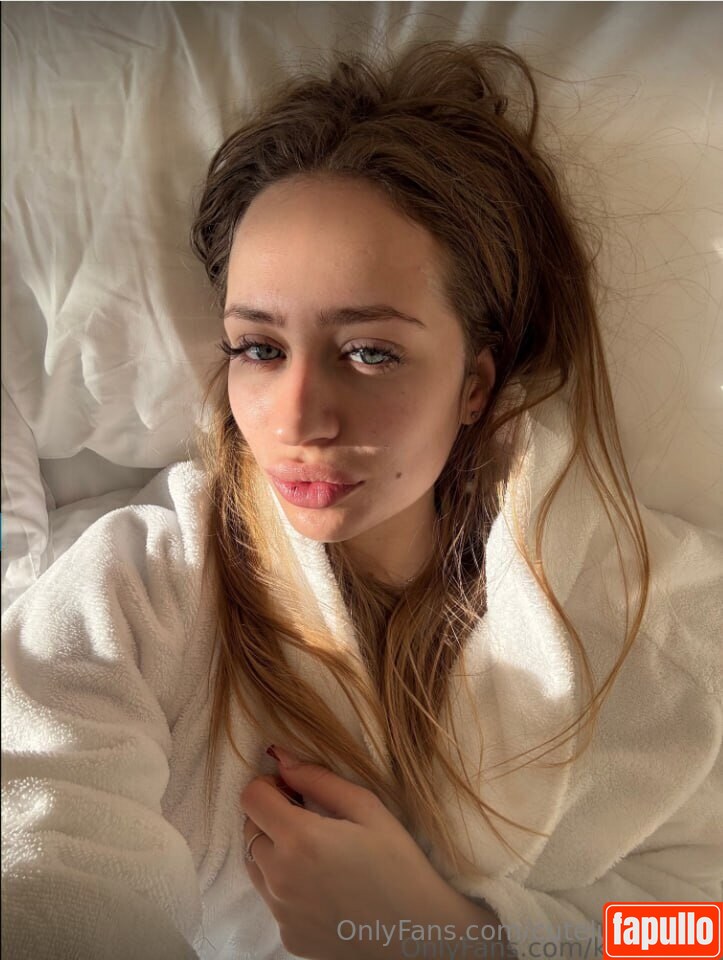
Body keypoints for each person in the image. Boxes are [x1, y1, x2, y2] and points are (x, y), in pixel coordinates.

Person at [2, 40, 721, 960]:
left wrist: (442, 934)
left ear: (475, 384)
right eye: (259, 349)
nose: (297, 417)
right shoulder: (131, 599)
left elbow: (698, 931)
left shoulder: (657, 619)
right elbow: (41, 865)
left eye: (369, 352)